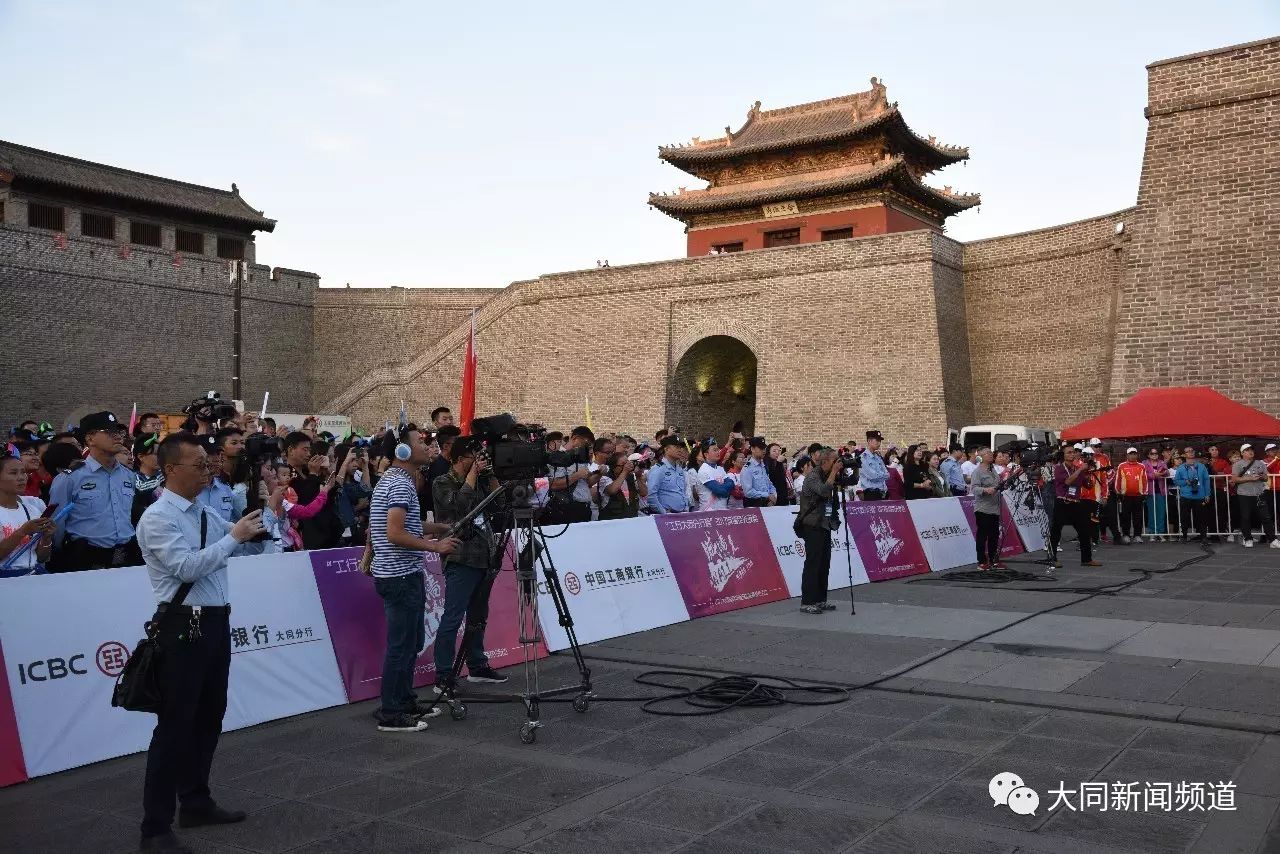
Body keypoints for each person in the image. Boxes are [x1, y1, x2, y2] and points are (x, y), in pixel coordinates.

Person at [134, 433, 270, 853]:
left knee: (210, 716)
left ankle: (195, 800)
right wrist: (235, 538)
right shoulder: (159, 517)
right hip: (180, 626)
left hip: (214, 622)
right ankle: (154, 828)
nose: (206, 471)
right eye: (198, 464)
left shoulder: (204, 510)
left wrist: (267, 514)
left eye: (208, 464)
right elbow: (186, 568)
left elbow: (246, 543)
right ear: (171, 469)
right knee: (174, 726)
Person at [368, 427, 460, 732]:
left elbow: (404, 524)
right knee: (402, 645)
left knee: (411, 642)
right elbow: (394, 533)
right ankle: (391, 713)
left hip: (402, 575)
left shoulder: (396, 481)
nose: (426, 445)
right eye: (420, 442)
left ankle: (404, 700)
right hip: (399, 576)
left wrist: (437, 528)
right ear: (403, 452)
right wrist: (435, 546)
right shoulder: (400, 485)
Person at [431, 436, 508, 689]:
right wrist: (473, 474)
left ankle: (477, 665)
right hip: (460, 557)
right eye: (470, 458)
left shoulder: (481, 479)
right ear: (457, 458)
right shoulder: (442, 482)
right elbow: (460, 505)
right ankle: (443, 674)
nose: (475, 462)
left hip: (484, 556)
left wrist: (491, 474)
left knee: (478, 617)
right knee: (453, 617)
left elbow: (501, 503)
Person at [49, 411, 140, 571]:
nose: (118, 436)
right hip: (87, 561)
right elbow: (56, 526)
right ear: (90, 438)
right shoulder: (70, 478)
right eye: (109, 432)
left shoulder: (128, 475)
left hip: (126, 559)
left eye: (118, 432)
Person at [795, 448, 841, 614]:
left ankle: (821, 599)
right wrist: (834, 472)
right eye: (835, 461)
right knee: (813, 563)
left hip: (825, 524)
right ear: (825, 462)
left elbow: (849, 482)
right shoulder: (813, 476)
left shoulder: (829, 474)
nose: (838, 464)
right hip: (812, 525)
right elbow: (823, 491)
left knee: (824, 563)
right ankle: (807, 601)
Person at [283, 431, 343, 549]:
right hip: (307, 534)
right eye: (304, 449)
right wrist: (313, 475)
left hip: (326, 530)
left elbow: (328, 497)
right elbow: (305, 499)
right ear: (291, 450)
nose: (308, 454)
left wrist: (325, 475)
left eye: (309, 450)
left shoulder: (308, 470)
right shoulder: (286, 474)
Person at [0, 452, 53, 576]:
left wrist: (47, 538)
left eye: (23, 472)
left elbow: (42, 558)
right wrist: (22, 532)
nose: (21, 477)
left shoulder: (32, 510)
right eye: (13, 473)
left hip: (32, 576)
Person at [1050, 444, 1100, 568]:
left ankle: (1087, 559)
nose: (1072, 454)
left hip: (1076, 503)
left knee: (1084, 531)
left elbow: (1087, 485)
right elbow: (1067, 481)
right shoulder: (1059, 468)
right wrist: (1080, 470)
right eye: (1069, 452)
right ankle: (1052, 558)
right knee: (1056, 532)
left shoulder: (1076, 468)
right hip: (1062, 502)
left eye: (1073, 452)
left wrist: (1089, 475)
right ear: (1064, 455)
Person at [547, 426, 595, 523]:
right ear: (575, 439)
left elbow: (587, 483)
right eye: (585, 444)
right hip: (567, 508)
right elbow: (554, 485)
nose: (587, 449)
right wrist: (577, 475)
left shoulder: (582, 456)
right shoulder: (557, 457)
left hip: (585, 508)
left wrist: (597, 473)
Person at [1231, 444, 1271, 547]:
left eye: (1252, 450)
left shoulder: (1260, 463)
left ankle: (1273, 540)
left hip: (1259, 493)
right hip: (1244, 494)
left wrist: (1262, 477)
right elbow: (1234, 479)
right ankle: (1248, 538)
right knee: (1245, 517)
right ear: (1242, 453)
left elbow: (1266, 478)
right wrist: (1250, 478)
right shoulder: (1237, 464)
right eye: (1247, 450)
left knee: (1265, 517)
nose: (1250, 452)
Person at [971, 448, 1003, 570]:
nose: (991, 455)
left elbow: (998, 484)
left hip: (995, 508)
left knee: (994, 535)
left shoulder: (993, 469)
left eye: (991, 453)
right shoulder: (977, 472)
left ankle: (993, 559)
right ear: (981, 456)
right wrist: (985, 490)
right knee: (982, 535)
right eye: (988, 453)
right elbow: (974, 489)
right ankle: (981, 561)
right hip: (983, 508)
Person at [1173, 447, 1211, 544]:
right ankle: (1184, 536)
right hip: (1186, 496)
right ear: (1184, 454)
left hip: (1200, 496)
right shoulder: (1181, 467)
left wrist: (1207, 494)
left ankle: (1203, 537)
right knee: (1184, 517)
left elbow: (1207, 480)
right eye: (1188, 452)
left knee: (1202, 517)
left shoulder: (1201, 466)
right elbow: (1176, 481)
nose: (1190, 453)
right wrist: (1185, 482)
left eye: (1192, 451)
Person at [1113, 447, 1149, 544]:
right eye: (1131, 454)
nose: (1133, 455)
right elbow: (1118, 480)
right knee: (1126, 517)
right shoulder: (1122, 465)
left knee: (1138, 517)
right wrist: (1118, 492)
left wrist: (1144, 493)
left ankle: (1137, 535)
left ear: (1137, 455)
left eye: (1134, 453)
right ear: (1127, 455)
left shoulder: (1141, 466)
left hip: (1138, 496)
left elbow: (1145, 480)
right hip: (1126, 496)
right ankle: (1126, 535)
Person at [647, 436, 690, 514]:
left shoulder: (680, 469)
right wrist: (664, 512)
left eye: (680, 447)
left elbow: (682, 491)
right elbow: (651, 495)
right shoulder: (658, 469)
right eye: (676, 447)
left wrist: (686, 507)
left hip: (682, 514)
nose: (680, 450)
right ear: (666, 449)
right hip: (666, 516)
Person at [132, 433, 166, 526]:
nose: (160, 457)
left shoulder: (168, 477)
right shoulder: (132, 480)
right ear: (141, 457)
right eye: (156, 454)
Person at [598, 452, 644, 520]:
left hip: (632, 518)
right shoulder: (605, 477)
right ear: (613, 466)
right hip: (612, 521)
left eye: (627, 463)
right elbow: (612, 490)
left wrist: (638, 477)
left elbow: (644, 493)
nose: (627, 467)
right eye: (623, 465)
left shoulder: (631, 477)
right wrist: (624, 472)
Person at [1207, 444, 1234, 542]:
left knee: (1222, 511)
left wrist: (1215, 474)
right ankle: (1212, 532)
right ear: (1208, 452)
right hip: (1209, 490)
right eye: (1212, 449)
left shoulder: (1223, 461)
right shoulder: (1206, 462)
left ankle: (1224, 530)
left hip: (1220, 489)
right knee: (1210, 512)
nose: (1215, 451)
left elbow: (1226, 473)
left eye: (1216, 450)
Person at [739, 438, 777, 507]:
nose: (764, 450)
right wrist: (767, 495)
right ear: (752, 449)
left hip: (767, 504)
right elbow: (748, 492)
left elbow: (769, 484)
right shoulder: (747, 468)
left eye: (764, 448)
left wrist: (773, 496)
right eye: (761, 448)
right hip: (754, 505)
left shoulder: (763, 466)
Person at [1142, 447, 1169, 540]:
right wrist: (1154, 475)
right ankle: (1152, 532)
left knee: (1161, 512)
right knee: (1151, 512)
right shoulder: (1144, 463)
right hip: (1150, 491)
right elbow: (1143, 474)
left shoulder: (1162, 462)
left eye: (1156, 453)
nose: (1154, 455)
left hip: (1161, 490)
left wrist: (1162, 474)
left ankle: (1160, 532)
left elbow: (1167, 473)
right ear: (1148, 455)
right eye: (1152, 453)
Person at [858, 430, 889, 500]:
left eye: (880, 441)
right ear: (869, 441)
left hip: (883, 492)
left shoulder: (878, 457)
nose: (879, 443)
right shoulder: (863, 458)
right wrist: (883, 475)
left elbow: (887, 474)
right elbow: (872, 476)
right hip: (871, 493)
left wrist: (881, 475)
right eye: (877, 440)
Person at [1264, 443, 1280, 549]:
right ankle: (1269, 535)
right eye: (1271, 450)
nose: (1273, 451)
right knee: (1269, 513)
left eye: (1275, 449)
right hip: (1269, 490)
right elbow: (1266, 469)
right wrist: (1276, 459)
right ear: (1267, 452)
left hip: (1279, 490)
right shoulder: (1263, 461)